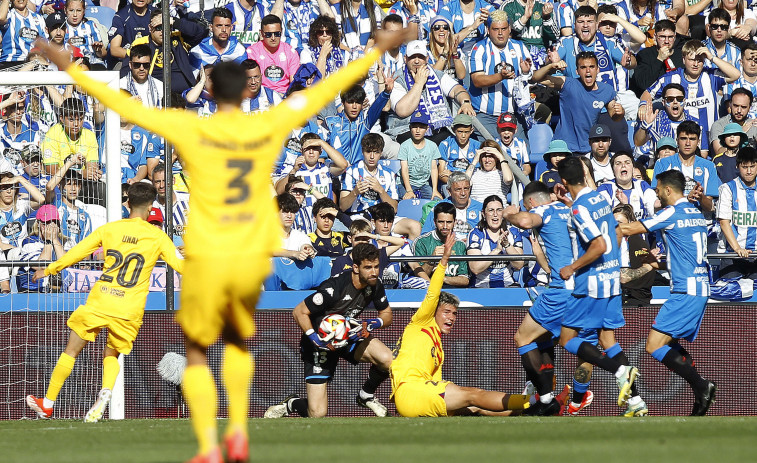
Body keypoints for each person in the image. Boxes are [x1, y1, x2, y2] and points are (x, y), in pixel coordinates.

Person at [35, 28, 403, 461]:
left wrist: (66, 63)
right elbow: (324, 91)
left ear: (209, 88)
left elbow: (119, 102)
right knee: (236, 344)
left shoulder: (190, 127)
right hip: (246, 257)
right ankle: (240, 434)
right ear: (248, 91)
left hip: (208, 255)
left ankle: (210, 444)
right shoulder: (266, 124)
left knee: (195, 351)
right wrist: (377, 50)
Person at [25, 182, 184, 422]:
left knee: (71, 351)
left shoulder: (110, 229)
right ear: (151, 207)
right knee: (111, 353)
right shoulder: (158, 237)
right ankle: (106, 391)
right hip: (129, 308)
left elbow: (76, 253)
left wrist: (49, 270)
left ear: (127, 203)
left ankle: (47, 404)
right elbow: (181, 267)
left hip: (102, 300)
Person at [392, 231, 530, 417]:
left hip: (417, 398)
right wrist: (444, 260)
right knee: (472, 395)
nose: (451, 318)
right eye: (447, 312)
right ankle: (530, 402)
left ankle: (530, 411)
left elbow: (435, 380)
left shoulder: (437, 347)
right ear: (434, 311)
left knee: (475, 407)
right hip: (411, 391)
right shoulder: (421, 321)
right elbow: (433, 293)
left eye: (455, 314)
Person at [619, 170, 716, 416]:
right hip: (698, 286)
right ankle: (701, 389)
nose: (657, 193)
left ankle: (701, 385)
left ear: (669, 190)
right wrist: (656, 264)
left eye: (658, 189)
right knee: (667, 342)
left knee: (653, 345)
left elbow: (631, 229)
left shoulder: (671, 212)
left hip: (686, 290)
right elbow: (685, 253)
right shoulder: (696, 213)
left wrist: (605, 224)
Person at [554, 156, 643, 416]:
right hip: (611, 280)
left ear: (563, 181)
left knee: (567, 338)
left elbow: (599, 245)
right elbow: (613, 232)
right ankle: (636, 401)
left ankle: (619, 371)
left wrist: (572, 267)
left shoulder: (579, 208)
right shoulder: (599, 197)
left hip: (590, 284)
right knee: (607, 339)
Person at [265, 242, 394, 418]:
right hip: (320, 343)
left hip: (348, 336)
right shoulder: (333, 288)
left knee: (388, 360)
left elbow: (386, 313)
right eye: (368, 267)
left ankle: (366, 395)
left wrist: (372, 323)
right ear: (356, 267)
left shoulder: (375, 284)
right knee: (317, 413)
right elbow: (299, 312)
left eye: (377, 266)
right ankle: (292, 403)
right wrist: (315, 339)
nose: (374, 272)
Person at [504, 181, 581, 416]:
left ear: (530, 203)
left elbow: (525, 220)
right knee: (546, 340)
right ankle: (557, 397)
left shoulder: (541, 210)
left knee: (523, 338)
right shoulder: (569, 207)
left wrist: (510, 215)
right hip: (581, 286)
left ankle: (547, 398)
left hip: (560, 289)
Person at [640, 39, 741, 158]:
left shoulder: (710, 76)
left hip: (710, 137)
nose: (695, 64)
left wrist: (712, 57)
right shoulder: (670, 78)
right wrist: (642, 105)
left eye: (699, 60)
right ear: (683, 59)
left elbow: (736, 74)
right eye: (692, 60)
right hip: (685, 139)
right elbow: (648, 92)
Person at [532, 51, 625, 154]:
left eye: (592, 67)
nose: (588, 71)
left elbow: (614, 115)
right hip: (564, 149)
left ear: (598, 69)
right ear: (577, 71)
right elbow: (536, 78)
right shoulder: (568, 84)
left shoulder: (606, 90)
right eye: (583, 67)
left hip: (588, 149)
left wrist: (621, 113)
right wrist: (551, 66)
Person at [388, 40, 475, 144]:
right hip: (407, 130)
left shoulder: (436, 75)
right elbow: (402, 111)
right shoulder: (398, 78)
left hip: (437, 129)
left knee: (451, 142)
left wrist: (465, 102)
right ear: (405, 59)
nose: (416, 61)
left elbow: (457, 89)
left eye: (420, 57)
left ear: (427, 59)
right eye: (412, 57)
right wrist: (419, 84)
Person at [468, 10, 533, 140]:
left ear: (509, 29)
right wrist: (500, 77)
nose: (500, 33)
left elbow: (533, 77)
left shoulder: (519, 47)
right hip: (486, 116)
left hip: (514, 114)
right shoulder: (479, 48)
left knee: (520, 155)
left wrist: (546, 67)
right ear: (488, 29)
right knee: (490, 155)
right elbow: (477, 80)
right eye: (496, 29)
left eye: (504, 29)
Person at [652, 121, 720, 213]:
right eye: (683, 138)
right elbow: (659, 200)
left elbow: (711, 207)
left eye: (692, 139)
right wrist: (686, 200)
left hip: (701, 221)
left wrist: (700, 197)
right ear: (677, 141)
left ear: (698, 142)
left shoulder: (709, 166)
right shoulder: (662, 164)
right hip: (673, 221)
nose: (688, 143)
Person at [323, 82, 392, 165]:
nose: (354, 107)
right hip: (337, 171)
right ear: (343, 103)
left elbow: (376, 107)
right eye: (351, 102)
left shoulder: (365, 121)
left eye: (358, 103)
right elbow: (319, 148)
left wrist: (386, 92)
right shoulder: (329, 123)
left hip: (359, 171)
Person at [716, 147, 757, 279]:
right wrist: (737, 248)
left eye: (752, 166)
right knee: (730, 297)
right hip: (732, 255)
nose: (749, 171)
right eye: (745, 167)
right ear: (737, 166)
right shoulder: (727, 188)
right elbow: (724, 222)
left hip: (756, 256)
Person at [467, 194, 523, 288]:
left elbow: (519, 265)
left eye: (499, 210)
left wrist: (507, 245)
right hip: (480, 287)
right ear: (483, 214)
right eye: (491, 210)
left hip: (507, 285)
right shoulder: (476, 234)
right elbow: (475, 268)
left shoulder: (513, 232)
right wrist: (496, 250)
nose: (495, 214)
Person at [413, 201, 469, 288]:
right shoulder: (421, 242)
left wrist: (441, 278)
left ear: (455, 222)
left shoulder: (460, 245)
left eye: (449, 222)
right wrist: (432, 260)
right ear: (434, 222)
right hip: (427, 291)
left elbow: (465, 280)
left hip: (454, 291)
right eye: (441, 222)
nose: (445, 226)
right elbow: (418, 277)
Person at [340, 133, 398, 215]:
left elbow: (394, 208)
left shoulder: (389, 174)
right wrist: (355, 192)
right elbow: (342, 207)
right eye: (368, 152)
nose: (372, 156)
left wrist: (381, 191)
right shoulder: (351, 172)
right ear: (362, 151)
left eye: (376, 152)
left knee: (414, 225)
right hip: (359, 216)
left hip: (383, 218)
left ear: (381, 153)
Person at [613, 203, 657, 307]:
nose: (616, 227)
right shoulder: (617, 242)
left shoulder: (632, 242)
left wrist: (649, 266)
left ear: (630, 224)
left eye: (620, 223)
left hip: (632, 303)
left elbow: (624, 277)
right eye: (613, 223)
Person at [246, 14, 301, 95]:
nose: (273, 38)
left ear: (281, 32)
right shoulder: (252, 52)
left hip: (284, 95)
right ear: (261, 33)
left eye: (277, 34)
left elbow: (294, 83)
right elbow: (250, 82)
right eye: (268, 34)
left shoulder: (291, 52)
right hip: (261, 95)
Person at [597, 151, 660, 220]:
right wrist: (621, 206)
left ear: (633, 168)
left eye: (627, 163)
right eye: (618, 164)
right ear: (613, 170)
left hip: (640, 229)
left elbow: (654, 205)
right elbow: (602, 215)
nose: (623, 165)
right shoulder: (605, 187)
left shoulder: (642, 185)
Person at [629, 20, 684, 97]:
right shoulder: (644, 55)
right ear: (655, 37)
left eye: (670, 37)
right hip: (652, 98)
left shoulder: (681, 55)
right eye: (662, 37)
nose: (667, 41)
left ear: (675, 37)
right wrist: (659, 59)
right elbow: (643, 84)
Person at [421, 171, 483, 239]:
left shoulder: (480, 208)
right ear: (449, 191)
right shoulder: (440, 207)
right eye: (458, 189)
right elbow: (425, 235)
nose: (463, 193)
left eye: (466, 188)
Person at [398, 111, 443, 200]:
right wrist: (409, 190)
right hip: (406, 183)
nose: (417, 131)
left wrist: (435, 190)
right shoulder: (405, 146)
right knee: (407, 201)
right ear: (410, 128)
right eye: (414, 127)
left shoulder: (432, 146)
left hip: (423, 184)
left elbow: (434, 168)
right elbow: (404, 169)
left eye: (421, 127)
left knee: (436, 201)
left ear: (427, 128)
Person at [710, 88, 757, 155]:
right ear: (730, 104)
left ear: (749, 107)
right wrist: (740, 133)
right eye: (736, 106)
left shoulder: (753, 124)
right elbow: (719, 152)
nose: (739, 110)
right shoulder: (719, 125)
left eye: (743, 107)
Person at [0, 0, 47, 66]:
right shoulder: (8, 16)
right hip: (10, 62)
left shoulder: (38, 18)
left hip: (32, 63)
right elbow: (1, 18)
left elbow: (44, 41)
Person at [465, 140, 513, 204]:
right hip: (478, 210)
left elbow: (508, 179)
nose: (487, 160)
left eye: (491, 156)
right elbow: (464, 183)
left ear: (496, 157)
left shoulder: (503, 173)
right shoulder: (474, 172)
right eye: (484, 156)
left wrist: (501, 157)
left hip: (497, 210)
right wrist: (475, 160)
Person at [438, 113, 482, 184]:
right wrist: (456, 185)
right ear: (453, 129)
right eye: (460, 132)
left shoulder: (477, 146)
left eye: (466, 132)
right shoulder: (445, 144)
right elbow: (441, 174)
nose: (463, 136)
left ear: (471, 130)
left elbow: (477, 173)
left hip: (471, 182)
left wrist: (454, 175)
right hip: (450, 183)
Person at [63, 0, 106, 68]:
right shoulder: (61, 27)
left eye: (79, 10)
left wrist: (98, 50)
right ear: (65, 10)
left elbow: (103, 54)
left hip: (92, 63)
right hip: (70, 65)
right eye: (71, 10)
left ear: (84, 11)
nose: (75, 15)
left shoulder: (90, 25)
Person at [120, 44, 164, 108]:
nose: (141, 68)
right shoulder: (119, 85)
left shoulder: (160, 87)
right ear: (130, 65)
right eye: (137, 65)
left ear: (150, 65)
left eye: (146, 65)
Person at [495, 112, 529, 176]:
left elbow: (526, 164)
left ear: (515, 130)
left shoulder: (521, 143)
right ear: (498, 130)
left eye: (510, 129)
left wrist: (523, 174)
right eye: (503, 129)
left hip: (518, 177)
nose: (506, 132)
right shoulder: (495, 144)